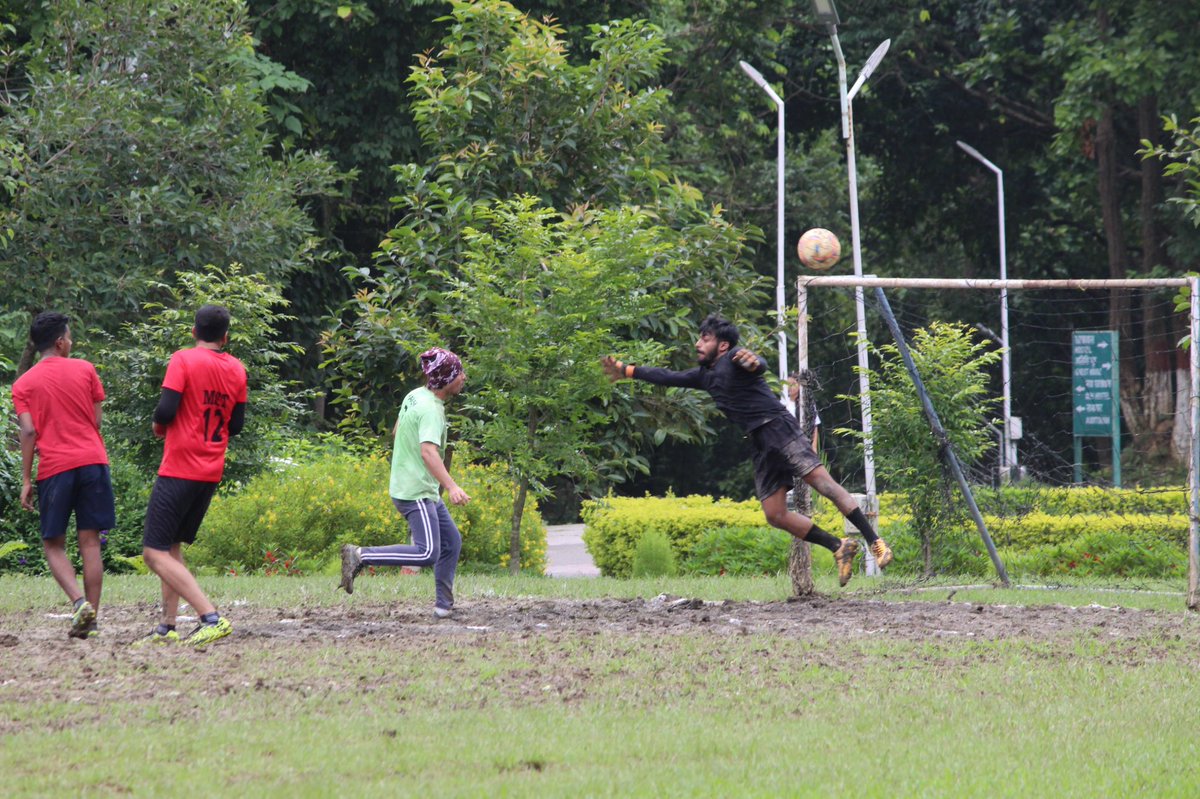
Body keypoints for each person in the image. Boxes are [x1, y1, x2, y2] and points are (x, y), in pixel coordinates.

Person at [602, 314, 893, 587]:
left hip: (779, 428)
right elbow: (666, 376)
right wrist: (625, 370)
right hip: (759, 442)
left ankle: (875, 542)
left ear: (723, 345)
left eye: (704, 338)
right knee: (775, 514)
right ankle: (838, 546)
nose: (697, 344)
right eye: (698, 338)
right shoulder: (705, 375)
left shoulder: (734, 358)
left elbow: (757, 365)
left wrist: (753, 361)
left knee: (822, 484)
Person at [135, 305, 247, 647]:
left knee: (153, 554)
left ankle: (210, 617)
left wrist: (159, 425)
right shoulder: (238, 369)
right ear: (225, 336)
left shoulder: (183, 360)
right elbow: (237, 426)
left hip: (180, 467)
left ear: (194, 331)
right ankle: (167, 628)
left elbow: (166, 410)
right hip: (210, 470)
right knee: (170, 547)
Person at [339, 347, 470, 618]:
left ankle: (443, 607)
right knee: (427, 553)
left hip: (418, 487)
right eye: (459, 374)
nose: (464, 378)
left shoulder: (415, 395)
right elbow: (428, 452)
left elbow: (399, 429)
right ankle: (361, 555)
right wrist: (452, 486)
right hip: (415, 492)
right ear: (446, 379)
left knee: (451, 542)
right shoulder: (432, 410)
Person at [11, 312, 115, 639]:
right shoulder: (85, 369)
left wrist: (27, 479)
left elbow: (28, 431)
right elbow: (96, 421)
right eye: (69, 337)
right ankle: (92, 620)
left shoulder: (23, 384)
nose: (71, 342)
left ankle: (79, 602)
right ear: (60, 342)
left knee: (53, 543)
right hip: (93, 462)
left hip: (55, 468)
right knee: (90, 542)